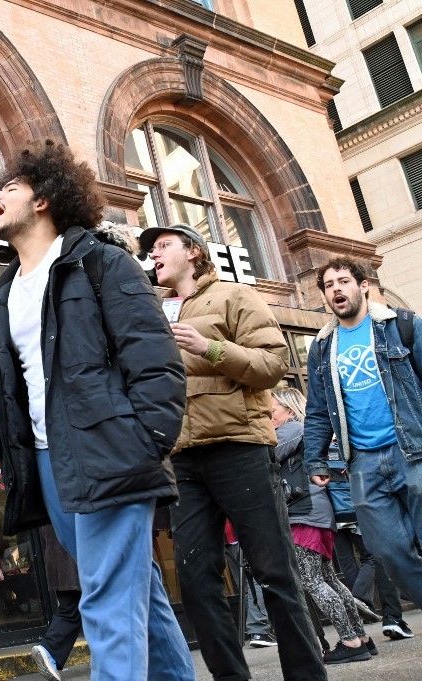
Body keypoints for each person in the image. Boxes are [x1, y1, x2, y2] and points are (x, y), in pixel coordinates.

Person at [0, 141, 195, 681]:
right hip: (53, 461)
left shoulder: (100, 262)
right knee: (132, 585)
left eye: (10, 188)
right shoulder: (1, 296)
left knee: (104, 597)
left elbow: (154, 361)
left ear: (45, 201)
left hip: (112, 450)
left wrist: (142, 441)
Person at [145, 222, 325, 681]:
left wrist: (211, 347)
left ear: (195, 252)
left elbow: (273, 365)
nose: (154, 252)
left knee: (274, 571)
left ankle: (306, 674)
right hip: (182, 457)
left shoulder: (233, 296)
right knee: (195, 579)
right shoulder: (156, 310)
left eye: (163, 244)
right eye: (151, 248)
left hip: (239, 448)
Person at [303, 256, 422, 611]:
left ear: (362, 286)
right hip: (363, 464)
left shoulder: (400, 325)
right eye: (328, 285)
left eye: (343, 281)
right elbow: (318, 410)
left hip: (412, 450)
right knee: (387, 551)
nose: (336, 289)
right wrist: (315, 457)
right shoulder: (322, 347)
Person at [272, 387, 375, 664]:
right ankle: (361, 638)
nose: (268, 416)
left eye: (272, 411)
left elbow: (264, 456)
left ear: (289, 411)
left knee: (312, 580)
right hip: (318, 513)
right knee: (328, 579)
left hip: (304, 512)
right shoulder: (304, 432)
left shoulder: (291, 430)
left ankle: (350, 642)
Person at [31, 525, 81, 681]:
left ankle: (49, 651)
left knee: (70, 609)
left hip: (58, 564)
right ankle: (49, 650)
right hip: (75, 562)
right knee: (75, 609)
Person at [222, 521, 276, 648]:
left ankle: (257, 629)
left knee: (245, 585)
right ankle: (258, 630)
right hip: (240, 532)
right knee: (257, 581)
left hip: (225, 537)